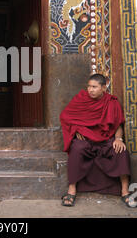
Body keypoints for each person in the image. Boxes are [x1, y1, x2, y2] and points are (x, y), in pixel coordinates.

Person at [60, 74, 132, 207]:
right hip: (86, 140)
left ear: (104, 88)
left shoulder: (112, 102)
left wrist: (118, 138)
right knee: (76, 148)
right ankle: (71, 190)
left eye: (94, 87)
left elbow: (118, 124)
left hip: (106, 140)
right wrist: (76, 128)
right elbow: (65, 116)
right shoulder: (81, 99)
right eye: (89, 86)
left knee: (121, 151)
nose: (90, 90)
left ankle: (125, 191)